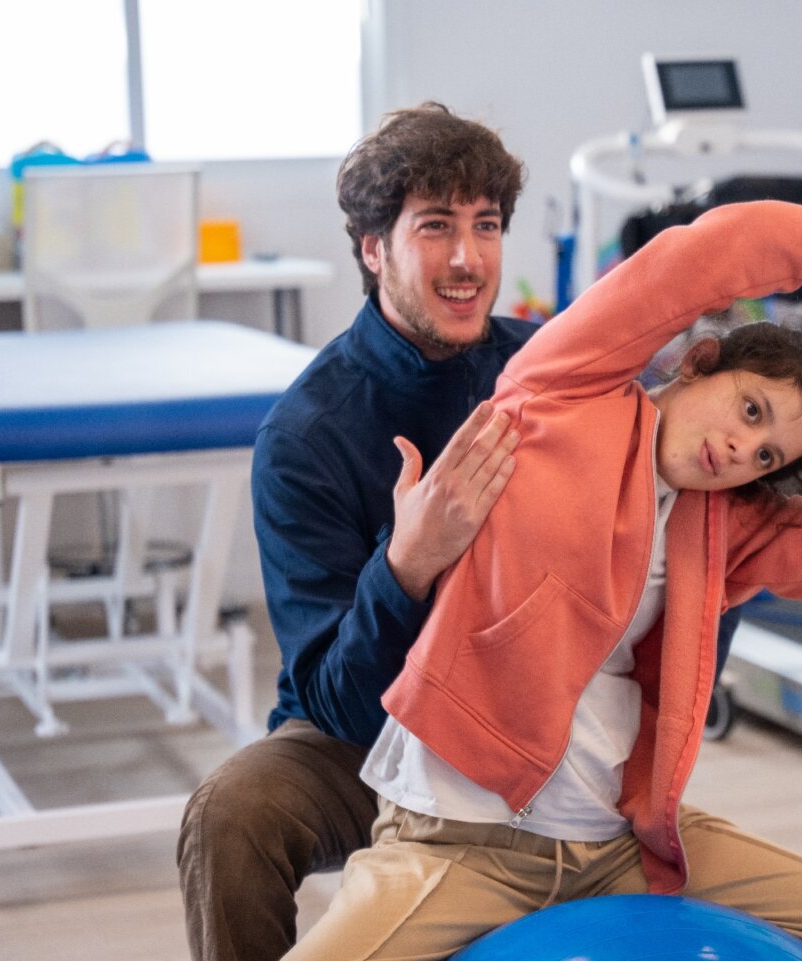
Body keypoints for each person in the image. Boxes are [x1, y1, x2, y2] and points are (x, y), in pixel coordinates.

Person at [282, 200, 802, 961]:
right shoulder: (565, 388)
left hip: (619, 848)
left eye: (767, 456)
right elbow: (737, 243)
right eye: (750, 409)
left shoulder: (727, 527)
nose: (742, 448)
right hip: (462, 844)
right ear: (698, 362)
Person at [177, 102, 538, 961]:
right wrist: (406, 565)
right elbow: (333, 700)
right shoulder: (306, 435)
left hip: (524, 722)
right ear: (373, 248)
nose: (467, 258)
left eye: (486, 225)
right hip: (366, 741)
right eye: (436, 226)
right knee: (234, 813)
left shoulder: (544, 373)